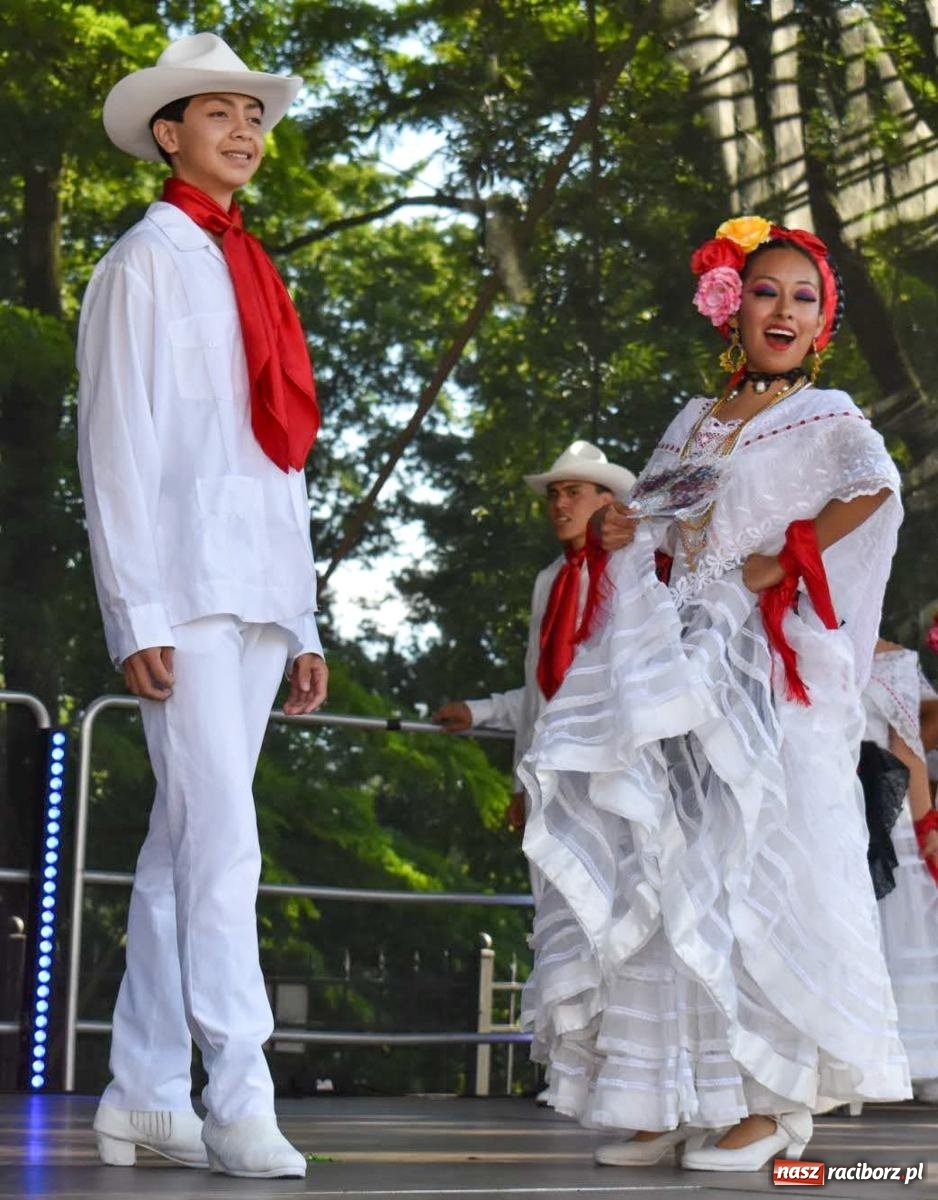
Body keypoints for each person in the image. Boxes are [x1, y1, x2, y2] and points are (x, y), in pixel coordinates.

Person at [518, 215, 910, 1171]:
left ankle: (770, 1103)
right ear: (731, 310)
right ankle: (658, 1090)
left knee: (758, 863)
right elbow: (653, 519)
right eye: (766, 291)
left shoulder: (829, 416)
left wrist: (793, 551)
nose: (784, 310)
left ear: (824, 322)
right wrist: (623, 535)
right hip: (682, 661)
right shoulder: (694, 420)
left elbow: (877, 487)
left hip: (770, 671)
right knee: (667, 859)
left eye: (804, 297)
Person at [76, 33, 327, 1179]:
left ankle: (138, 1093)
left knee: (186, 847)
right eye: (217, 113)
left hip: (259, 587)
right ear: (167, 133)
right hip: (182, 587)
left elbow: (281, 452)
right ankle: (239, 1096)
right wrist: (136, 613)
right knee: (224, 843)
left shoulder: (252, 265)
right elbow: (115, 449)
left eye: (255, 116)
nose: (243, 131)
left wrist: (307, 613)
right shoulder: (145, 260)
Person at [432, 441, 635, 829]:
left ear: (606, 501)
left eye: (574, 493)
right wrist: (518, 777)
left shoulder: (630, 572)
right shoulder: (549, 580)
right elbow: (545, 689)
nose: (560, 505)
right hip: (551, 774)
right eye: (554, 495)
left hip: (612, 766)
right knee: (552, 889)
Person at [862, 639, 938, 1102]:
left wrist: (928, 822)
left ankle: (914, 1055)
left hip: (884, 802)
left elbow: (908, 747)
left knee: (900, 923)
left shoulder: (892, 660)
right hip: (829, 797)